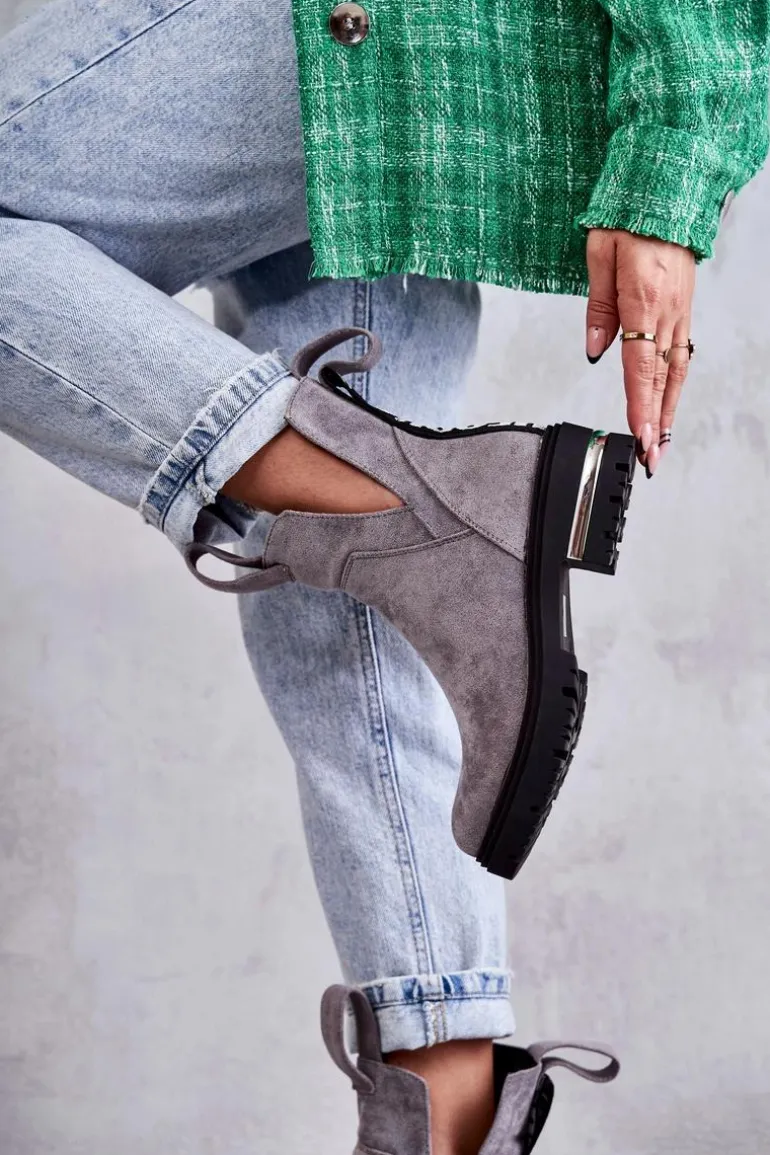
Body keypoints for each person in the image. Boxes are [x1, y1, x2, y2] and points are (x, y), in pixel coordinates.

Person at [0, 0, 767, 1152]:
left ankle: (418, 508)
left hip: (375, 23)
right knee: (347, 619)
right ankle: (443, 1114)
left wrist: (675, 155)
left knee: (359, 553)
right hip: (413, 74)